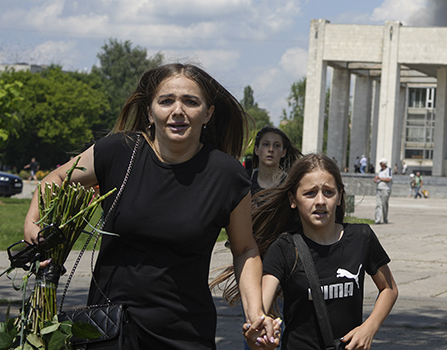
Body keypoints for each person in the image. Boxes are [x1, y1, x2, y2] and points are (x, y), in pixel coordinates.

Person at [24, 63, 274, 349]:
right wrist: (33, 220)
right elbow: (56, 179)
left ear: (208, 113)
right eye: (166, 101)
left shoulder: (226, 174)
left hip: (185, 333)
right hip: (109, 330)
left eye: (190, 101)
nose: (177, 110)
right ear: (149, 111)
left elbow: (245, 249)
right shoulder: (118, 151)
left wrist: (256, 315)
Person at [241, 154, 398, 350]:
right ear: (293, 199)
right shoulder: (284, 248)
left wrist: (369, 328)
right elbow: (262, 308)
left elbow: (389, 289)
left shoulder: (361, 237)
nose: (320, 201)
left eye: (329, 192)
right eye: (310, 193)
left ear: (340, 197)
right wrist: (262, 332)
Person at [250, 126, 302, 196]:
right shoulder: (245, 179)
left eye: (277, 145)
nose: (271, 149)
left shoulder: (290, 183)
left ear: (283, 152)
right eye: (266, 144)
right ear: (256, 150)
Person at [373, 158, 392, 224]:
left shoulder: (388, 170)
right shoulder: (380, 171)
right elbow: (379, 179)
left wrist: (380, 178)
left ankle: (385, 218)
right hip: (379, 188)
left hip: (386, 189)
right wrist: (376, 180)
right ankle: (377, 219)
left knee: (384, 204)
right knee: (378, 204)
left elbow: (389, 179)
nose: (380, 164)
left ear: (384, 163)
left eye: (381, 163)